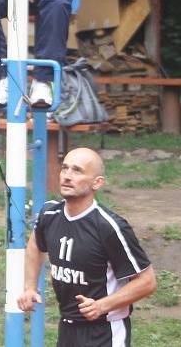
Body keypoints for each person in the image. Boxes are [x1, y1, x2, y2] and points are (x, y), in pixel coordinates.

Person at [17, 148, 157, 346]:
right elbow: (35, 245)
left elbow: (147, 282)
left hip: (105, 331)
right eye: (64, 168)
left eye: (77, 171)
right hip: (67, 328)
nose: (67, 176)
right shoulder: (49, 214)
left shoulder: (109, 227)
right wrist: (30, 287)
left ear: (97, 183)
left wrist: (101, 306)